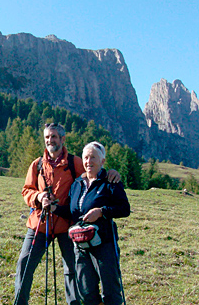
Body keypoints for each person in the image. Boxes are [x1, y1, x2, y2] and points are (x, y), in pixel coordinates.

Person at [14, 124, 120, 305]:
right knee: (25, 264)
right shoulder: (37, 164)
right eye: (47, 137)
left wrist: (111, 173)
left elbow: (93, 174)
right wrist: (39, 196)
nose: (50, 141)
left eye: (54, 137)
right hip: (40, 223)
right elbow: (26, 191)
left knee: (72, 269)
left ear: (62, 139)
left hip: (67, 224)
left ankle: (74, 303)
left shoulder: (75, 162)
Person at [46, 141, 130, 305]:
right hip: (81, 245)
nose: (88, 161)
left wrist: (102, 212)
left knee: (111, 291)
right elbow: (72, 212)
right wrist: (54, 209)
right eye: (86, 157)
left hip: (105, 243)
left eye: (93, 157)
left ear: (102, 161)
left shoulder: (110, 181)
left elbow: (124, 209)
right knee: (86, 291)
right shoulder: (77, 184)